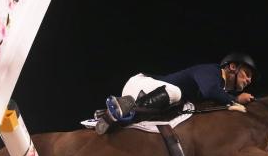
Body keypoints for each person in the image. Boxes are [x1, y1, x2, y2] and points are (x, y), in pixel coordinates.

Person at [96, 52, 258, 135]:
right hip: (141, 84)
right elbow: (209, 91)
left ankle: (110, 115)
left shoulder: (219, 89)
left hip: (149, 95)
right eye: (247, 73)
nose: (249, 80)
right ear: (232, 67)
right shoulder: (212, 71)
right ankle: (123, 111)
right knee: (176, 92)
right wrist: (235, 99)